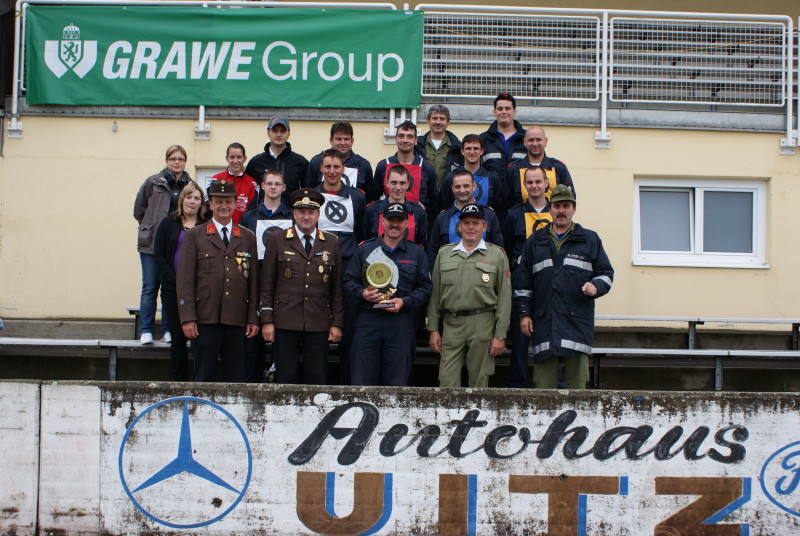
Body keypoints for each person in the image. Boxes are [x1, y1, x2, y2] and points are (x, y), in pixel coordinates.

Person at [513, 184, 614, 389]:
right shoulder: (535, 241)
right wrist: (524, 314)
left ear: (574, 209)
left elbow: (606, 273)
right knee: (544, 388)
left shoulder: (589, 239)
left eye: (566, 206)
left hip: (576, 323)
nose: (561, 211)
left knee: (577, 390)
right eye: (557, 206)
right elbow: (523, 283)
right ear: (550, 209)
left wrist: (596, 286)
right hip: (544, 322)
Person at [176, 180, 259, 382]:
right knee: (204, 376)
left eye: (228, 201)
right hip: (205, 318)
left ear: (235, 204)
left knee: (235, 379)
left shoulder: (247, 237)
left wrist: (252, 318)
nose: (224, 206)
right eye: (219, 201)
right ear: (210, 204)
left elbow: (253, 282)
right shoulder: (195, 235)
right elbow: (185, 279)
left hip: (236, 319)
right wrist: (188, 317)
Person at [260, 188, 345, 385]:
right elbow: (267, 283)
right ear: (294, 213)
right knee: (285, 376)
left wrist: (336, 323)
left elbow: (336, 288)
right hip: (285, 319)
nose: (306, 217)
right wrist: (267, 320)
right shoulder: (277, 239)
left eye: (311, 212)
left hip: (318, 320)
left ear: (318, 214)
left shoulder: (331, 241)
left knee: (317, 376)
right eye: (301, 212)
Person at [345, 203, 432, 386]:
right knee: (362, 380)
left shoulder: (417, 252)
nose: (395, 224)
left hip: (400, 323)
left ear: (406, 223)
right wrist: (362, 293)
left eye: (399, 220)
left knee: (397, 382)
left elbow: (425, 288)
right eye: (391, 220)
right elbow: (348, 282)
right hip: (369, 319)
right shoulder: (365, 249)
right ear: (382, 222)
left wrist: (405, 301)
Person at [427, 204, 511, 388]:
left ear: (484, 226)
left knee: (479, 382)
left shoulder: (497, 255)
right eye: (466, 223)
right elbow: (435, 295)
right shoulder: (444, 254)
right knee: (447, 381)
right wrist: (433, 329)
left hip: (482, 323)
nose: (470, 227)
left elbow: (504, 299)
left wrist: (500, 335)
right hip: (452, 323)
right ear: (459, 226)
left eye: (475, 223)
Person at [134, 144, 196, 345]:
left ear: (185, 161)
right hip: (151, 242)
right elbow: (139, 209)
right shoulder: (153, 182)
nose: (177, 162)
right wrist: (150, 226)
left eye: (180, 159)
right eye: (173, 159)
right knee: (150, 286)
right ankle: (146, 330)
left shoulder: (190, 185)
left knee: (171, 287)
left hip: (175, 244)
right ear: (167, 160)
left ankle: (167, 329)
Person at [314, 148, 366, 384]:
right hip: (317, 267)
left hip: (348, 268)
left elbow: (362, 234)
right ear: (321, 169)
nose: (332, 171)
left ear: (343, 169)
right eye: (328, 166)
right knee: (318, 325)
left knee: (348, 326)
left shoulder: (357, 197)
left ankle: (347, 381)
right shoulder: (313, 196)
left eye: (336, 166)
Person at [239, 168, 292, 383]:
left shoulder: (292, 216)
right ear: (262, 186)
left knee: (281, 341)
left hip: (283, 284)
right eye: (269, 183)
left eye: (277, 183)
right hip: (254, 281)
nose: (273, 187)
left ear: (284, 187)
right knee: (252, 342)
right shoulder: (248, 217)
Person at [502, 166, 553, 388]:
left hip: (548, 284)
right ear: (524, 185)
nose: (534, 186)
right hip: (520, 284)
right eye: (529, 182)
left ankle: (551, 386)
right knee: (519, 341)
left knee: (550, 339)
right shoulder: (513, 215)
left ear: (546, 183)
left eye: (538, 181)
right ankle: (516, 386)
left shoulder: (556, 213)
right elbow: (506, 250)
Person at [153, 183, 206, 381]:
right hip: (172, 289)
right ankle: (179, 382)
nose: (192, 201)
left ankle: (200, 382)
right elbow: (159, 255)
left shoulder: (206, 225)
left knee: (200, 340)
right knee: (178, 339)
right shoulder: (168, 223)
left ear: (201, 203)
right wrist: (176, 280)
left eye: (196, 198)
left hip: (200, 291)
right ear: (182, 200)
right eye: (189, 197)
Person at [428, 169, 504, 269]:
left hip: (483, 273)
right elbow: (432, 253)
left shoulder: (489, 216)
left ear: (474, 186)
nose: (462, 190)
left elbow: (498, 250)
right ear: (452, 188)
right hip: (450, 273)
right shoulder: (442, 218)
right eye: (458, 187)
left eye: (466, 186)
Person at [371, 120, 438, 213]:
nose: (405, 140)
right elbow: (375, 197)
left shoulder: (427, 168)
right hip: (388, 219)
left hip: (418, 220)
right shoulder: (383, 166)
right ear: (396, 139)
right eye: (401, 136)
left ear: (416, 140)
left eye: (410, 136)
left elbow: (434, 202)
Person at [245, 116, 309, 207]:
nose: (279, 134)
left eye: (283, 131)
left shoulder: (300, 162)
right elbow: (249, 192)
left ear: (289, 133)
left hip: (291, 214)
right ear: (268, 132)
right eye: (275, 131)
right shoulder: (255, 163)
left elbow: (307, 192)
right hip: (262, 214)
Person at [504, 126, 574, 209]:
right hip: (521, 217)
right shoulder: (514, 169)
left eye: (538, 139)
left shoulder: (558, 168)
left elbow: (569, 199)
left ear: (545, 141)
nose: (535, 143)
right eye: (531, 140)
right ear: (525, 142)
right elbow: (506, 202)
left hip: (552, 217)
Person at [439, 134, 504, 217]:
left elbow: (499, 211)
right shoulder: (451, 178)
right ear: (462, 151)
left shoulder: (492, 178)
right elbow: (444, 208)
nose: (472, 152)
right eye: (468, 148)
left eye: (476, 148)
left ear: (482, 151)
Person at [363, 165, 427, 248]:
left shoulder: (418, 212)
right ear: (387, 183)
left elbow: (421, 244)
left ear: (408, 184)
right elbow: (365, 242)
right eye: (394, 182)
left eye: (402, 183)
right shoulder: (371, 210)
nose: (398, 187)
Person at [303, 122, 373, 192]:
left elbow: (370, 196)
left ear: (352, 141)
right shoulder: (316, 163)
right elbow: (308, 192)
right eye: (338, 139)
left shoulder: (364, 166)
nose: (342, 143)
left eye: (346, 139)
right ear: (331, 140)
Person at [209, 142, 259, 225]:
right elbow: (207, 208)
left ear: (245, 158)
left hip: (242, 230)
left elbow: (254, 212)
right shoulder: (215, 180)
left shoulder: (253, 184)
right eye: (232, 157)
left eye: (239, 157)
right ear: (227, 158)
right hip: (217, 229)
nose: (235, 161)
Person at [479, 92, 526, 177]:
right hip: (492, 186)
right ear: (494, 111)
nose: (504, 112)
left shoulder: (528, 138)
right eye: (500, 109)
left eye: (507, 108)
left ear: (514, 111)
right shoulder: (483, 139)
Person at [414, 104, 463, 187]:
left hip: (447, 193)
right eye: (434, 118)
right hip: (423, 193)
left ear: (448, 122)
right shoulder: (416, 145)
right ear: (428, 121)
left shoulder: (457, 147)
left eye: (442, 119)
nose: (438, 122)